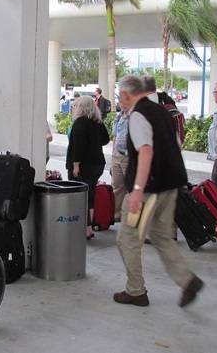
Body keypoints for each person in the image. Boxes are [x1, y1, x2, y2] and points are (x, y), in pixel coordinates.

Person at [113, 76, 204, 308]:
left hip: (148, 191)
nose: (119, 101)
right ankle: (187, 280)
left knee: (127, 239)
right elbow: (175, 144)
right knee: (162, 236)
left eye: (119, 96)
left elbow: (146, 151)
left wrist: (136, 191)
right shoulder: (163, 111)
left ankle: (136, 291)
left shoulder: (137, 114)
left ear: (126, 94)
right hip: (170, 185)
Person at [66, 96, 109, 239]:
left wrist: (76, 165)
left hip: (83, 165)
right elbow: (105, 139)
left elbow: (78, 147)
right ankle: (89, 228)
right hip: (97, 164)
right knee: (90, 195)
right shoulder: (97, 122)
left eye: (76, 105)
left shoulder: (80, 123)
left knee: (80, 196)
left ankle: (84, 228)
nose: (74, 108)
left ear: (81, 107)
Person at [111, 106, 130, 222]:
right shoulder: (118, 116)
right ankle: (117, 213)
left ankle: (128, 216)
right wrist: (113, 152)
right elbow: (115, 136)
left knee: (130, 187)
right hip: (117, 155)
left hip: (129, 156)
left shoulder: (135, 116)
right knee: (117, 185)